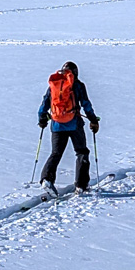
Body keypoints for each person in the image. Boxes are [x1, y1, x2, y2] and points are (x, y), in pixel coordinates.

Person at [37, 60, 100, 195]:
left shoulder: (55, 85)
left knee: (56, 153)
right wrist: (93, 120)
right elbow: (85, 104)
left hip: (57, 124)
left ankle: (46, 179)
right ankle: (81, 186)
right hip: (74, 124)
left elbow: (45, 102)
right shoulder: (77, 85)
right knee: (82, 152)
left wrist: (42, 118)